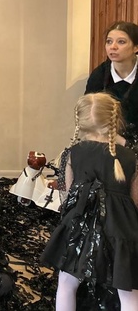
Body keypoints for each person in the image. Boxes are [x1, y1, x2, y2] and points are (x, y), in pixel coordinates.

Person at [41, 93, 138, 310]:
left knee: (66, 285)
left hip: (80, 229)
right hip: (121, 231)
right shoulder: (130, 156)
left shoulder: (72, 153)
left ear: (80, 123)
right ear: (115, 120)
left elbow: (68, 195)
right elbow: (135, 200)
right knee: (130, 293)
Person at [85, 21, 138, 147]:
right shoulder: (99, 75)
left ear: (136, 47)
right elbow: (88, 116)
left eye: (121, 42)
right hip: (104, 141)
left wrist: (127, 144)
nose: (113, 47)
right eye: (109, 41)